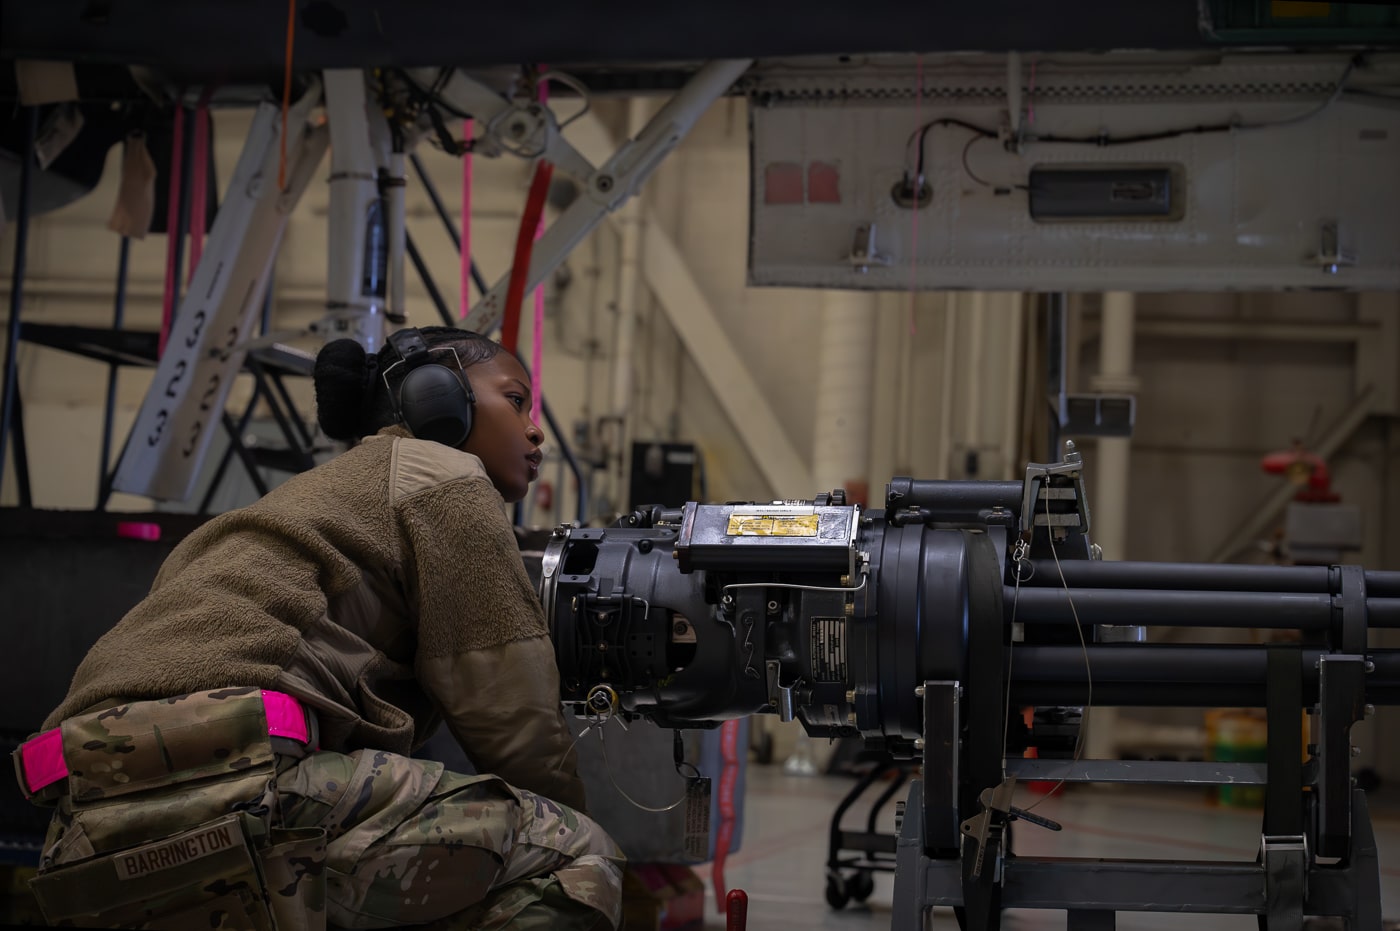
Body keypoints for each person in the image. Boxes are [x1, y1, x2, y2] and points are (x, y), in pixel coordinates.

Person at [15, 326, 623, 930]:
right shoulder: (441, 477)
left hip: (82, 826)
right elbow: (509, 715)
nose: (536, 428)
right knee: (576, 857)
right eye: (516, 399)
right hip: (245, 783)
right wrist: (565, 816)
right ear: (438, 396)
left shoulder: (292, 505)